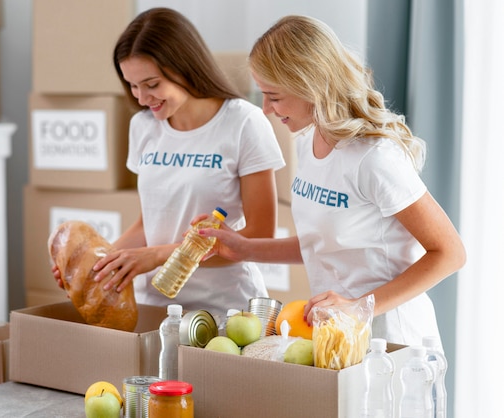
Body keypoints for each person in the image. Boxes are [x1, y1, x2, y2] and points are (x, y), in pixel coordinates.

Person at [197, 15, 466, 346]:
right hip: (338, 334)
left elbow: (450, 253)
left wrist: (359, 308)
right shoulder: (308, 143)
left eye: (274, 96)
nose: (266, 109)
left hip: (392, 339)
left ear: (309, 85)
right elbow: (322, 243)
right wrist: (245, 248)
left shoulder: (374, 157)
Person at [53, 7, 285, 319]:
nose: (141, 97)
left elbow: (259, 236)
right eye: (132, 85)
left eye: (152, 84)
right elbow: (149, 222)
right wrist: (99, 266)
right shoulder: (144, 127)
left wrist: (159, 256)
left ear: (185, 67)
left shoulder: (244, 123)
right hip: (157, 310)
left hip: (226, 312)